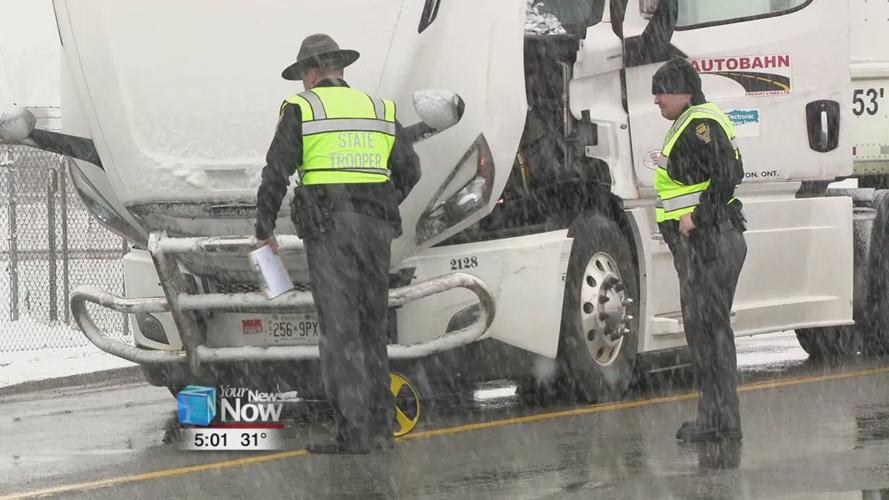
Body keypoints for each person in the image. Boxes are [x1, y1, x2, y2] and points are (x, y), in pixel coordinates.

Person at [254, 33, 420, 454]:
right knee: (371, 329)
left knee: (340, 332)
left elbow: (277, 170)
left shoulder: (302, 108)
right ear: (338, 69)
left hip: (330, 231)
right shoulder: (378, 109)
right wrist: (377, 204)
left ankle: (352, 433)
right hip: (376, 229)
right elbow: (410, 170)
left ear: (310, 73)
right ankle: (381, 430)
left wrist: (264, 226)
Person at [651, 58, 747, 443]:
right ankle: (717, 419)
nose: (656, 99)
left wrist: (698, 217)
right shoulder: (688, 124)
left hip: (710, 240)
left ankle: (720, 421)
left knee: (709, 332)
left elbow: (729, 174)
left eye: (662, 91)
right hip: (705, 242)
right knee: (706, 332)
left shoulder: (700, 124)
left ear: (685, 93)